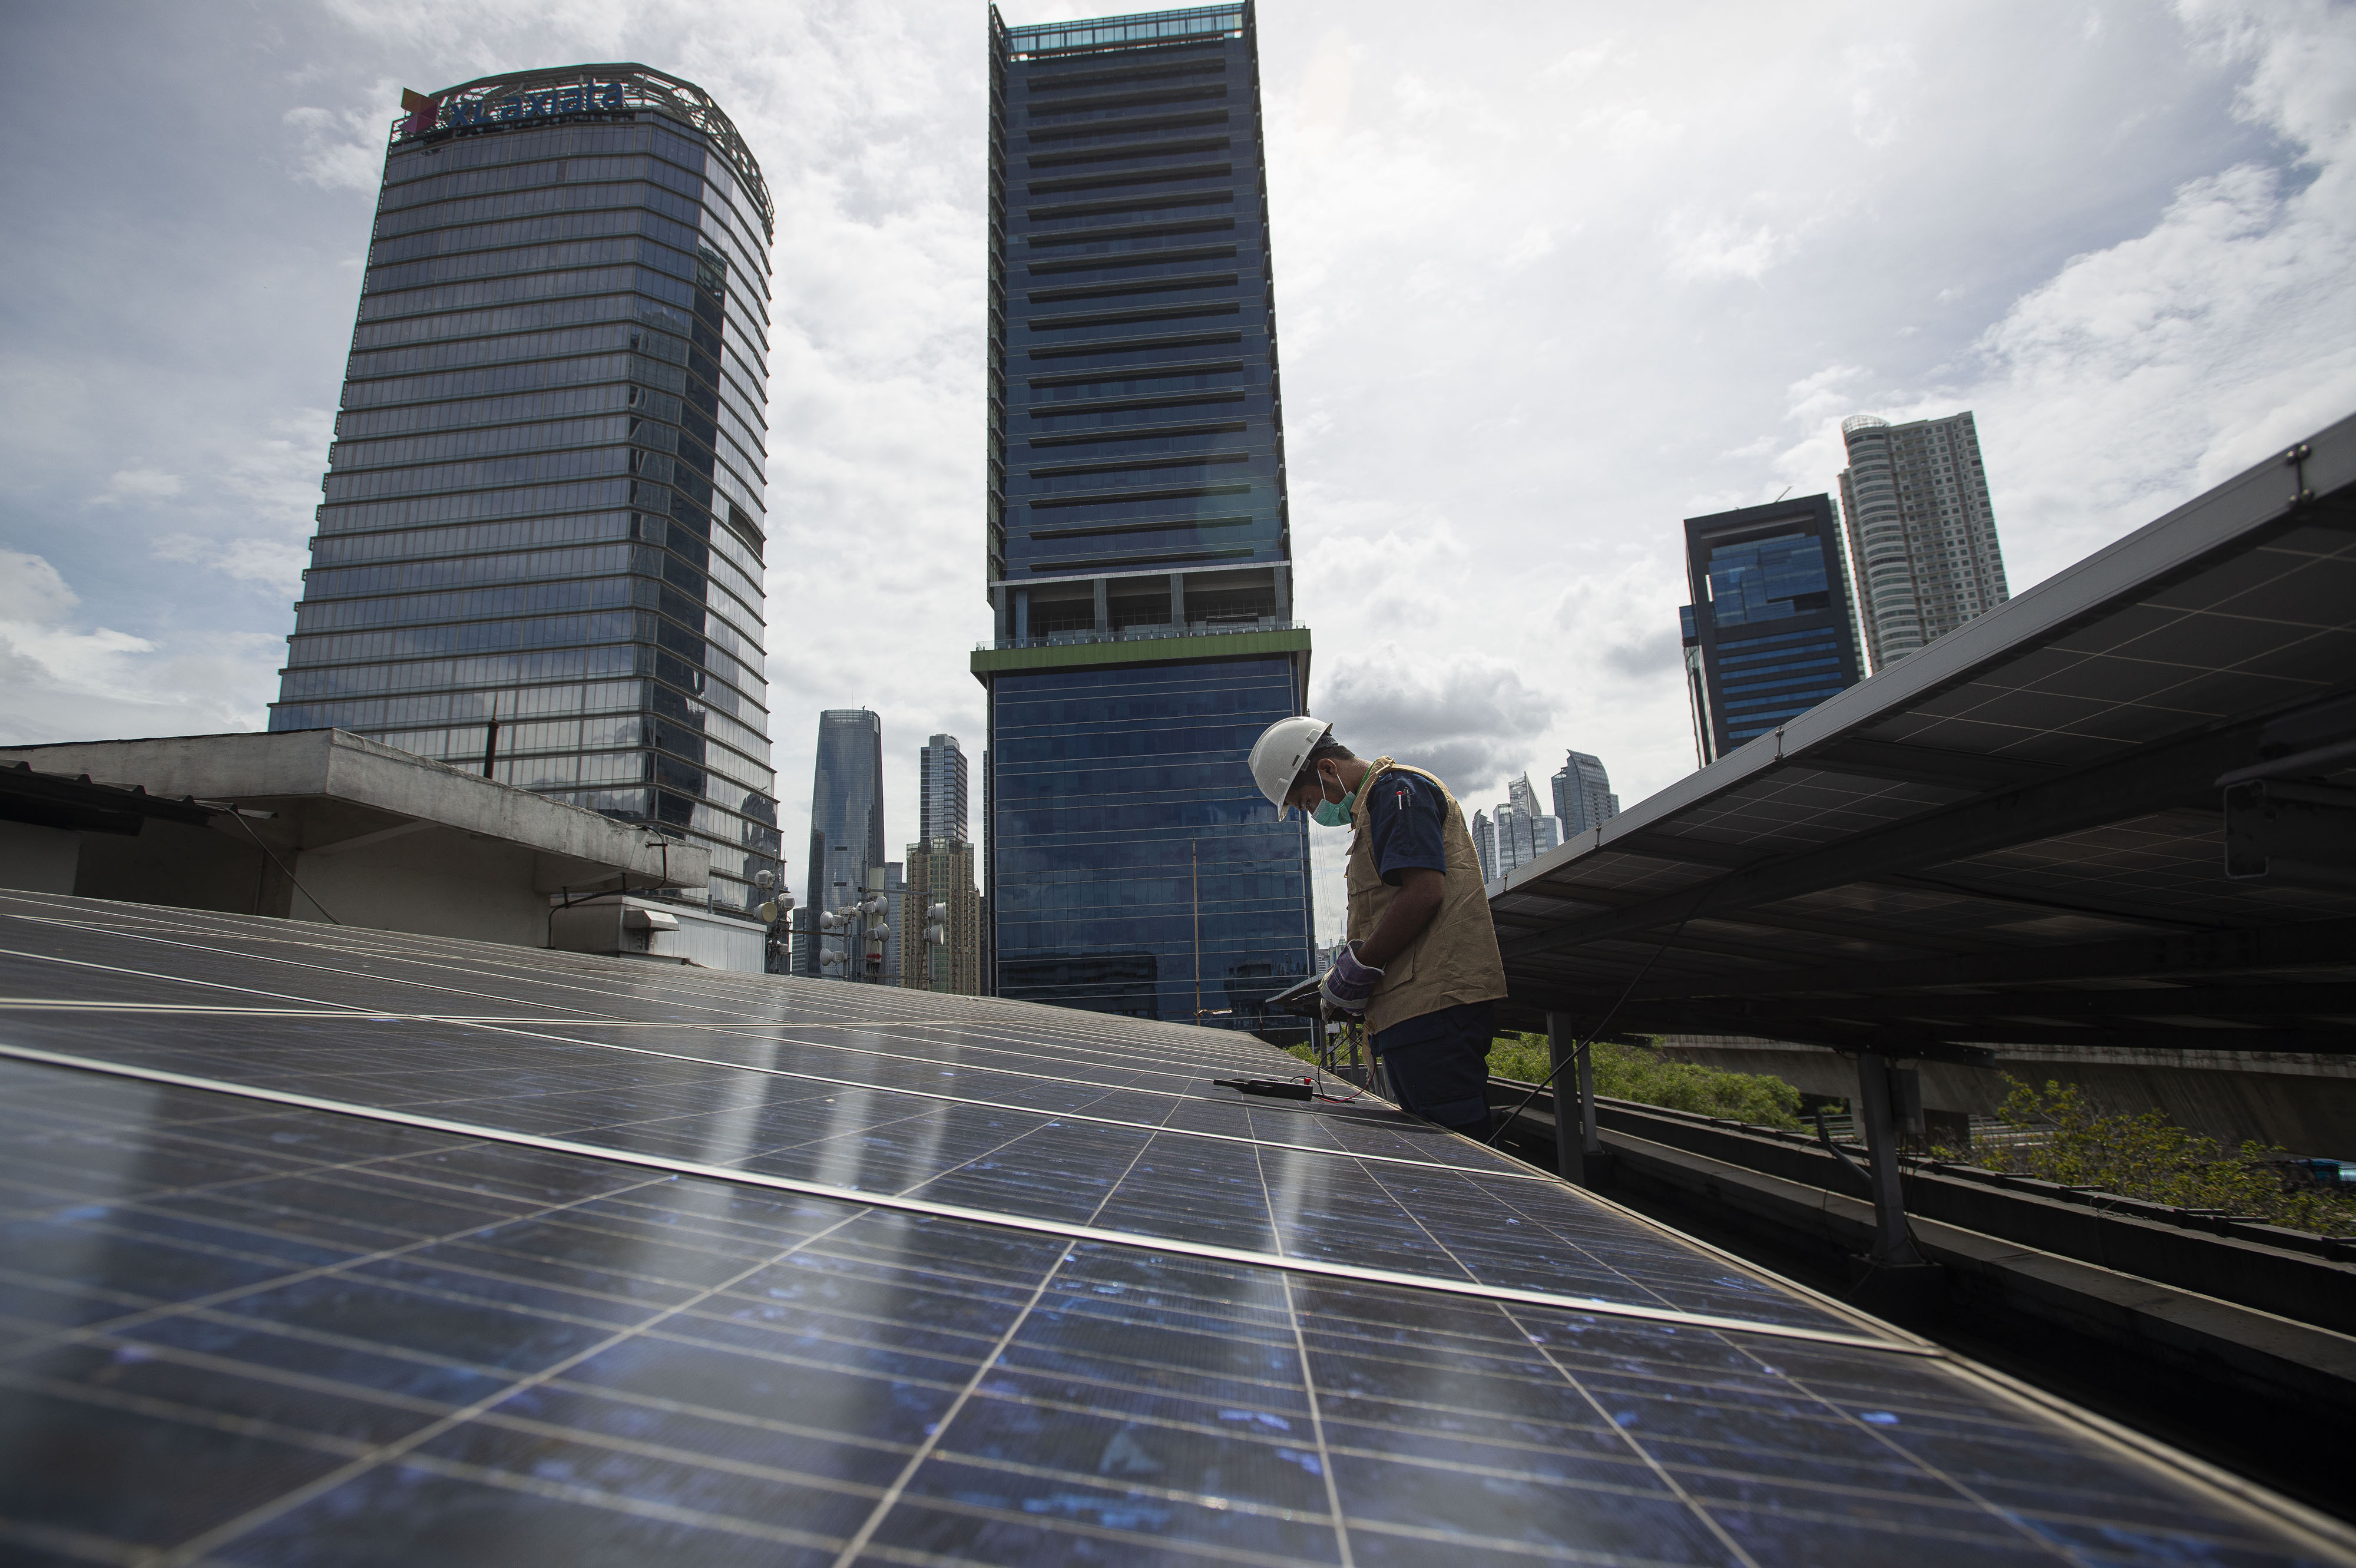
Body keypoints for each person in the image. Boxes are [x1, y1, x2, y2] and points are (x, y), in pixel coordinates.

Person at [1248, 717, 1507, 1140]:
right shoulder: (1372, 810)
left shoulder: (1397, 791)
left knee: (1453, 1157)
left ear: (1328, 769)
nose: (1314, 814)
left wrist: (1358, 968)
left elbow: (1424, 892)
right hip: (1412, 1012)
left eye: (1308, 802)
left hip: (1435, 1010)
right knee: (1433, 1152)